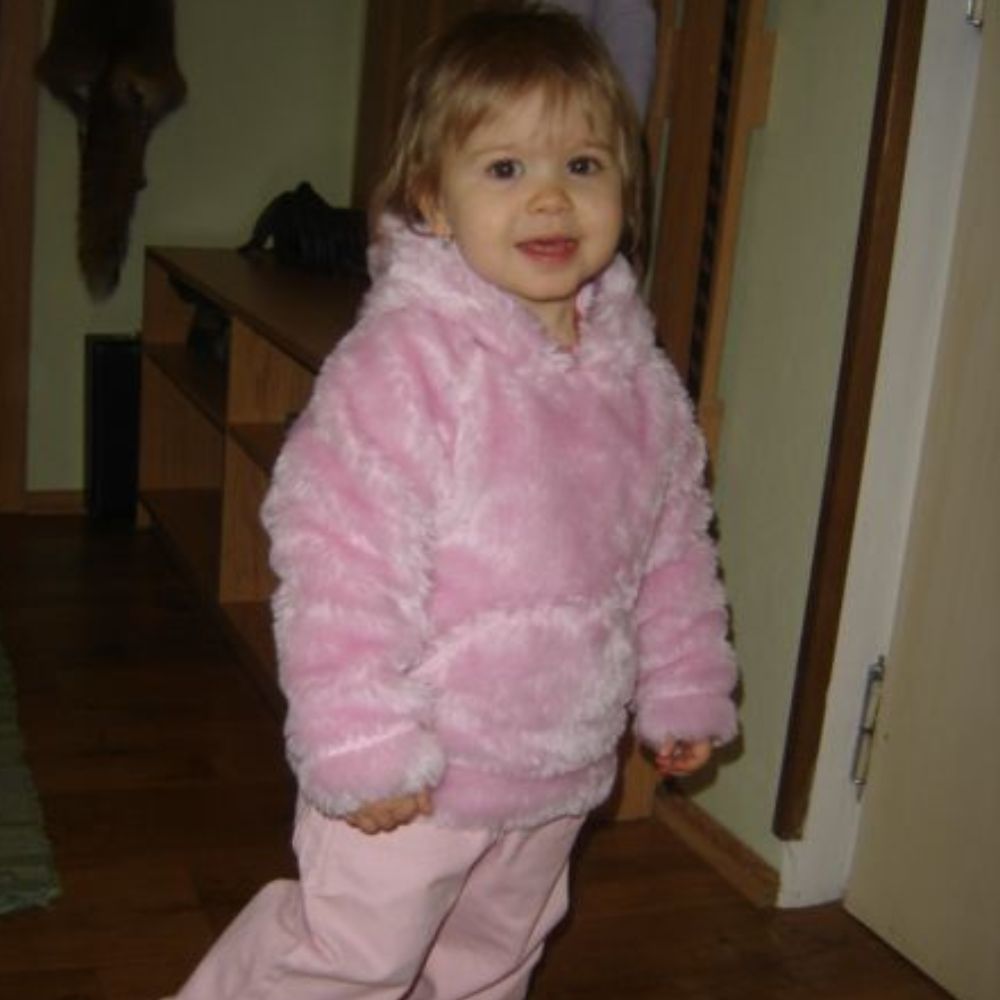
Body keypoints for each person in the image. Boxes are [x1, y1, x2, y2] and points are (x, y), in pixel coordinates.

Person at [164, 4, 737, 998]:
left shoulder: (640, 383)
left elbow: (674, 548)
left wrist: (682, 686)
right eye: (505, 168)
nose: (550, 198)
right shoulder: (404, 365)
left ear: (624, 188)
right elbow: (337, 559)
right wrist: (361, 741)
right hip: (418, 771)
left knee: (491, 960)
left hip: (558, 765)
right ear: (433, 200)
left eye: (583, 165)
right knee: (351, 957)